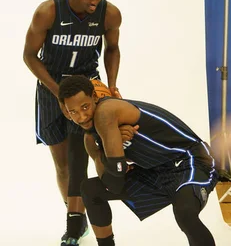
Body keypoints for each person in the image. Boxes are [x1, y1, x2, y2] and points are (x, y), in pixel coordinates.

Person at [22, 0, 122, 244]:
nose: (95, 1)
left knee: (82, 158)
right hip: (52, 88)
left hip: (86, 90)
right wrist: (57, 92)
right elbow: (29, 56)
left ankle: (76, 223)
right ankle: (75, 217)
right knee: (63, 164)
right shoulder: (48, 12)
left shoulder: (109, 14)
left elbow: (113, 48)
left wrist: (112, 85)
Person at [58, 75, 218, 246]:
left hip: (190, 160)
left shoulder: (106, 112)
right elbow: (114, 184)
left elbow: (117, 170)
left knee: (185, 213)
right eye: (73, 112)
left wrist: (114, 157)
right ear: (67, 112)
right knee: (90, 189)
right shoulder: (90, 139)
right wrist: (112, 147)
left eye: (85, 107)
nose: (82, 116)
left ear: (96, 98)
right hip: (156, 171)